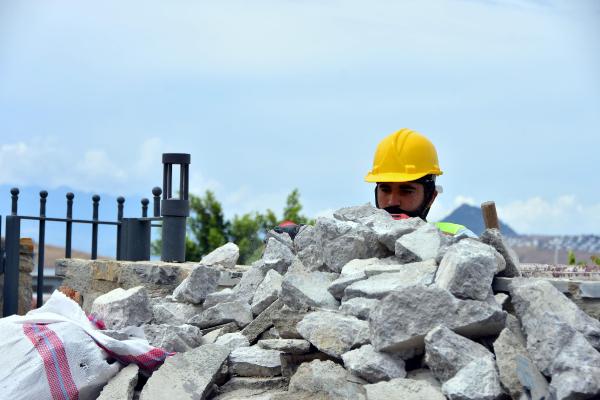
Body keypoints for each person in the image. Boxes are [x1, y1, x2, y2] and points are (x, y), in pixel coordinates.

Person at [365, 128, 475, 237]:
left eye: (406, 191)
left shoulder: (456, 236)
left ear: (431, 197)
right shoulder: (360, 236)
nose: (393, 202)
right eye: (385, 190)